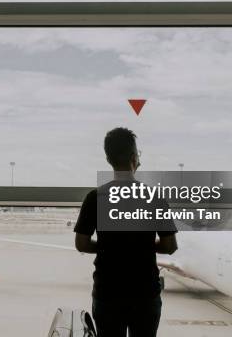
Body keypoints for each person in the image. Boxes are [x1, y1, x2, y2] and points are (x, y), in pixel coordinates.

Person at [74, 127, 178, 337]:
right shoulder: (153, 197)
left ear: (108, 158)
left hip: (108, 291)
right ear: (134, 158)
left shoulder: (95, 198)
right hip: (144, 293)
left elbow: (82, 244)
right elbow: (170, 246)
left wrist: (109, 247)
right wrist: (142, 246)